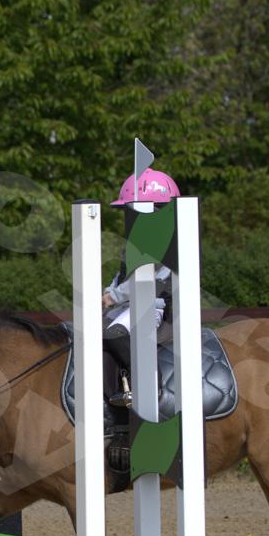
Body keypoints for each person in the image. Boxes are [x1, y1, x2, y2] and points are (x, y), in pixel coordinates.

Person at [101, 168, 180, 407]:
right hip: (131, 305)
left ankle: (148, 384)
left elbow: (147, 279)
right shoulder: (136, 241)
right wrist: (108, 291)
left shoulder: (161, 241)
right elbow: (122, 274)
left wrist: (112, 297)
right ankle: (115, 387)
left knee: (115, 333)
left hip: (153, 306)